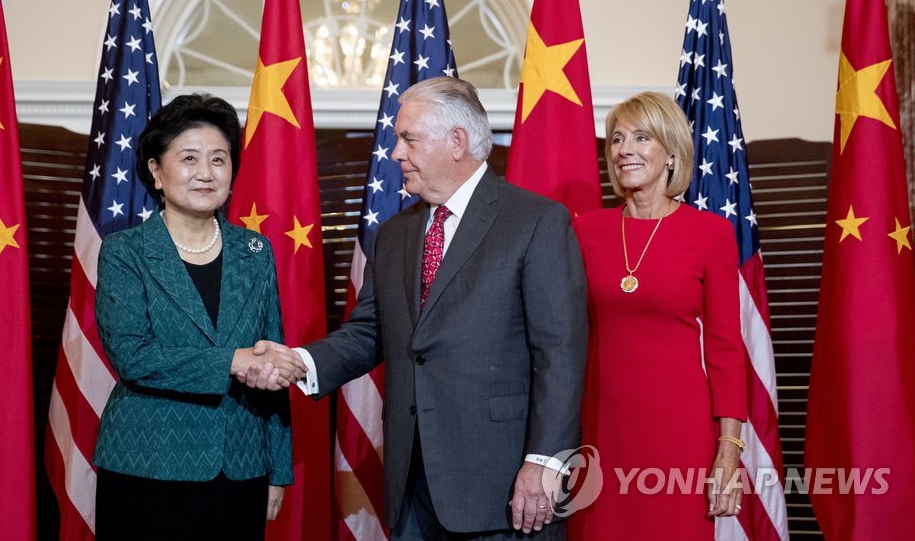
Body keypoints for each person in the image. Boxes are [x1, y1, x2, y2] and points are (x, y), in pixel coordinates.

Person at [249, 77, 588, 539]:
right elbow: (371, 331)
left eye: (408, 139)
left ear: (457, 141)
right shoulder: (395, 234)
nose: (395, 153)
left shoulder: (535, 221)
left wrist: (546, 461)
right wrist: (298, 362)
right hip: (411, 486)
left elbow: (560, 353)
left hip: (504, 484)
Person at [92, 93, 308, 539]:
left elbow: (272, 359)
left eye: (218, 159)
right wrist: (232, 360)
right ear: (156, 170)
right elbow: (134, 356)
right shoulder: (125, 251)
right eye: (189, 158)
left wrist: (278, 467)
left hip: (242, 464)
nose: (206, 173)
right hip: (147, 464)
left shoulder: (255, 251)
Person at [571, 91, 746, 539]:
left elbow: (726, 349)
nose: (624, 149)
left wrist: (729, 448)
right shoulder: (585, 230)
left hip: (678, 432)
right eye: (616, 139)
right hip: (600, 430)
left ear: (671, 153)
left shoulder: (710, 233)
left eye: (641, 137)